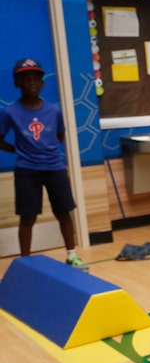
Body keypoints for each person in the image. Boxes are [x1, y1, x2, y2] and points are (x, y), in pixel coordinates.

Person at [0, 58, 88, 271]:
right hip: (27, 171)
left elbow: (60, 135)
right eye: (26, 79)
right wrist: (18, 150)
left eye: (35, 79)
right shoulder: (10, 112)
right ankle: (26, 261)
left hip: (54, 168)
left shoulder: (54, 110)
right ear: (17, 83)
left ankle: (72, 254)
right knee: (27, 216)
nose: (31, 83)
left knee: (64, 211)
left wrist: (46, 151)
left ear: (42, 83)